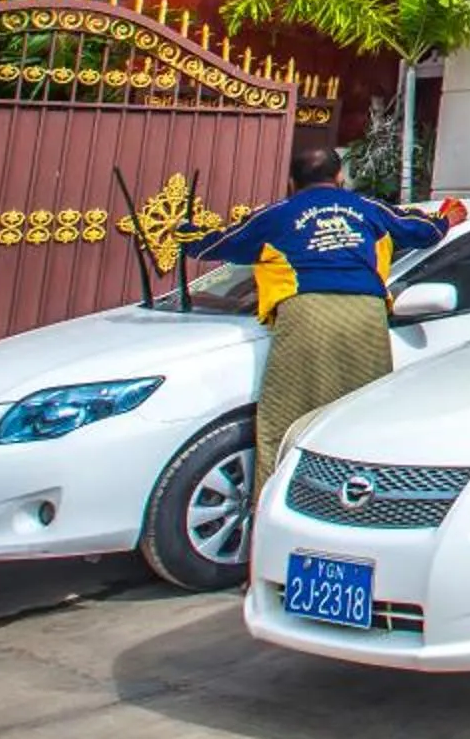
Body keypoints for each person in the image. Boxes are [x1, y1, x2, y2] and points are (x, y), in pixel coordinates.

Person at [189, 142, 448, 484]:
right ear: (340, 176)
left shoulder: (276, 214)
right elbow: (424, 231)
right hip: (366, 314)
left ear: (292, 182)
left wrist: (183, 233)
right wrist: (447, 218)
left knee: (287, 417)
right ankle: (355, 500)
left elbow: (214, 244)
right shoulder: (369, 208)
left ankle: (274, 502)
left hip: (306, 312)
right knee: (361, 414)